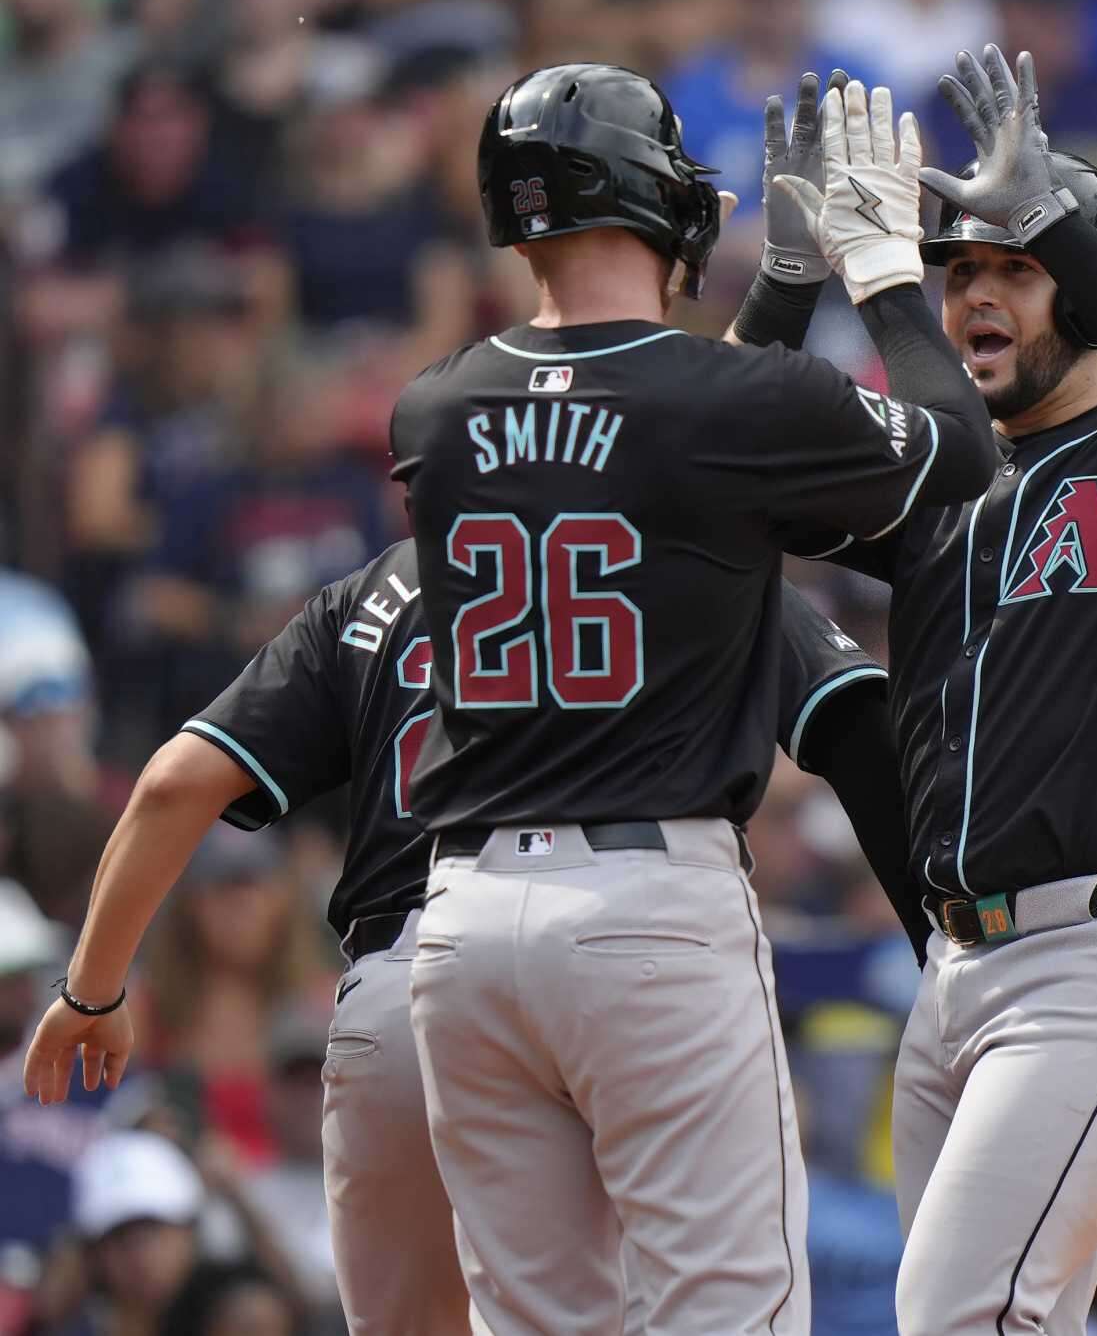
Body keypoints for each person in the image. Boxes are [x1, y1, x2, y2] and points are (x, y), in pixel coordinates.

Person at [388, 62, 997, 1336]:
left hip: (459, 923)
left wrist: (773, 297)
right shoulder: (722, 400)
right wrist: (878, 273)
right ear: (658, 206)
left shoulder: (436, 410)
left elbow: (652, 452)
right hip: (645, 912)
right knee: (725, 1318)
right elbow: (958, 448)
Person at [21, 536, 926, 1336]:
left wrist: (90, 987)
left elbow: (176, 783)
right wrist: (941, 943)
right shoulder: (693, 537)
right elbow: (859, 720)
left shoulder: (371, 594)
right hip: (635, 932)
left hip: (405, 979)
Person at [770, 44, 1097, 1334]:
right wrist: (791, 281)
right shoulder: (945, 480)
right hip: (954, 974)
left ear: (1094, 292)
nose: (974, 297)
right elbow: (731, 478)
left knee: (961, 1315)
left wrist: (1058, 216)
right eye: (958, 273)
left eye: (1013, 268)